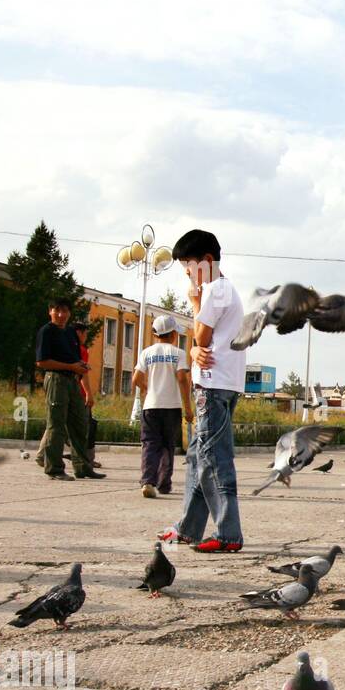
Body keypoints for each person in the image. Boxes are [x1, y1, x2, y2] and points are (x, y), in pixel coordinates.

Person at [160, 229, 246, 553]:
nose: (186, 272)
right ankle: (189, 528)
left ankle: (229, 534)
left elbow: (202, 338)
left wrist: (195, 304)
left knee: (213, 460)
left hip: (212, 385)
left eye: (188, 265)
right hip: (222, 382)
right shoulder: (224, 289)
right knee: (199, 457)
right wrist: (197, 347)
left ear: (207, 261)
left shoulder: (215, 291)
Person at [34, 299, 104, 481]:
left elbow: (74, 358)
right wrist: (71, 366)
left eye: (64, 311)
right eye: (56, 310)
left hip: (73, 381)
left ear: (69, 313)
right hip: (56, 380)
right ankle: (54, 469)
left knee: (80, 425)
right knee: (56, 426)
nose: (61, 314)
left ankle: (83, 467)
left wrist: (80, 367)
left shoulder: (70, 333)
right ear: (50, 311)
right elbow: (42, 362)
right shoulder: (47, 331)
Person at [133, 314, 192, 498]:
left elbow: (135, 378)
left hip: (151, 405)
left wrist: (147, 388)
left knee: (150, 444)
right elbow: (182, 379)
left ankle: (147, 481)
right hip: (172, 406)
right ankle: (164, 484)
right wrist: (188, 408)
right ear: (173, 334)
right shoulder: (178, 353)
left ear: (156, 334)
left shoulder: (146, 353)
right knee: (167, 445)